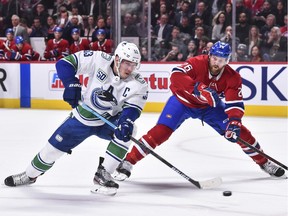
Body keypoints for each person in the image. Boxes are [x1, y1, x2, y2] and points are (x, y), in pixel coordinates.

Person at [114, 41, 286, 181]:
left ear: (227, 61)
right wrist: (197, 88)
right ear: (209, 55)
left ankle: (264, 162)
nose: (217, 62)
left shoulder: (232, 77)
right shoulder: (197, 63)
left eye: (222, 60)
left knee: (240, 132)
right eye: (215, 58)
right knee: (160, 132)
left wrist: (234, 122)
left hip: (208, 108)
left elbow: (234, 103)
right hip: (182, 103)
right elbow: (175, 76)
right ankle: (128, 162)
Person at [4, 41, 148, 196]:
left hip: (109, 121)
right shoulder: (99, 59)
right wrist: (71, 84)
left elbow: (132, 108)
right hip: (82, 118)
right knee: (50, 152)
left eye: (134, 65)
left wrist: (125, 121)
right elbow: (64, 64)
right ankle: (29, 175)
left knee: (130, 129)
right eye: (127, 63)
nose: (130, 68)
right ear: (118, 59)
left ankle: (103, 174)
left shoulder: (139, 84)